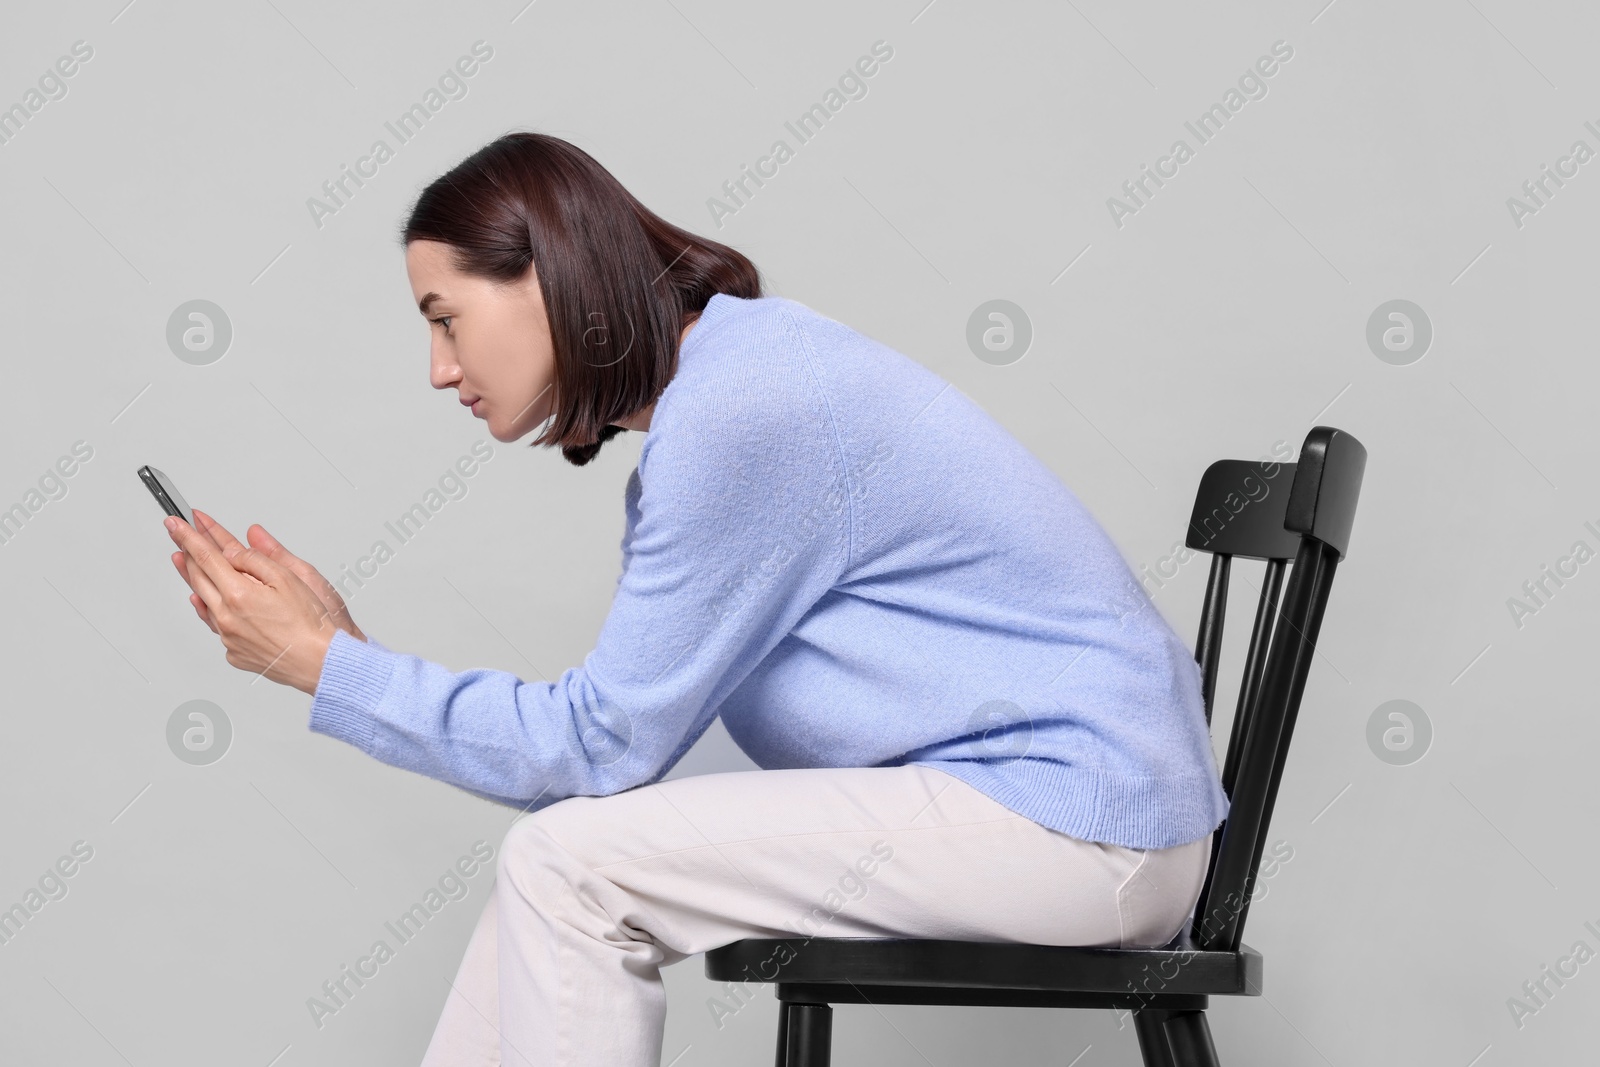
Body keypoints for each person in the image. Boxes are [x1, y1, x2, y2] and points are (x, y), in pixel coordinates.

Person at [163, 131, 1229, 1067]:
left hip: (1082, 831)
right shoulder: (733, 383)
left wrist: (327, 665)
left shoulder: (740, 409)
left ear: (544, 277)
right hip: (1058, 817)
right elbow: (602, 752)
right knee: (556, 866)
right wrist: (342, 653)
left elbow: (597, 750)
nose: (439, 368)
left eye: (444, 317)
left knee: (567, 861)